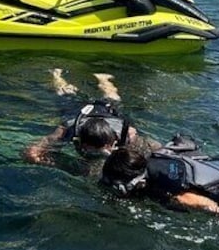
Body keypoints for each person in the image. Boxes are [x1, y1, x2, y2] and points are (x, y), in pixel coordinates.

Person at [23, 69, 159, 173]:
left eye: (106, 148)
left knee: (113, 99)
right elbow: (36, 148)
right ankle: (56, 74)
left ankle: (104, 78)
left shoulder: (125, 132)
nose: (103, 152)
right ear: (82, 143)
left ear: (112, 141)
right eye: (94, 150)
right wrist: (44, 160)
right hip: (79, 112)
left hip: (108, 113)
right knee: (66, 94)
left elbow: (153, 146)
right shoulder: (68, 129)